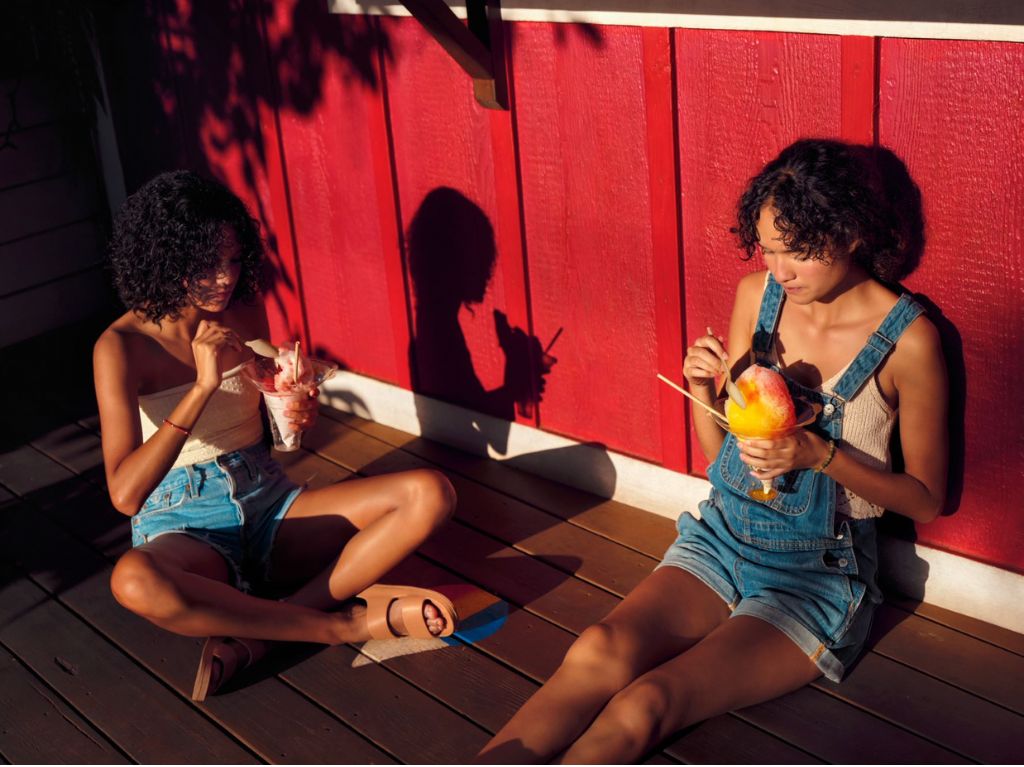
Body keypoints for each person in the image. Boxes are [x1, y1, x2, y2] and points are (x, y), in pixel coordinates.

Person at [476, 138, 948, 763]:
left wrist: (821, 457)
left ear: (851, 233)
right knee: (597, 648)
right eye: (769, 249)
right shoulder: (758, 299)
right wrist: (703, 389)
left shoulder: (909, 342)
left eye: (797, 253)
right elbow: (721, 456)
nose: (779, 271)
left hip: (815, 576)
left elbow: (928, 500)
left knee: (647, 702)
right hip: (722, 536)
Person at [95, 170, 459, 702]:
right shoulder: (120, 346)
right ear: (164, 257)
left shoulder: (240, 309)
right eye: (206, 264)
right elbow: (125, 495)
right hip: (183, 522)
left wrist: (293, 406)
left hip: (267, 499)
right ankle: (340, 626)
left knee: (431, 493)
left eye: (234, 260)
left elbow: (272, 407)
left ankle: (263, 633)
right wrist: (201, 385)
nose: (224, 278)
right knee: (133, 581)